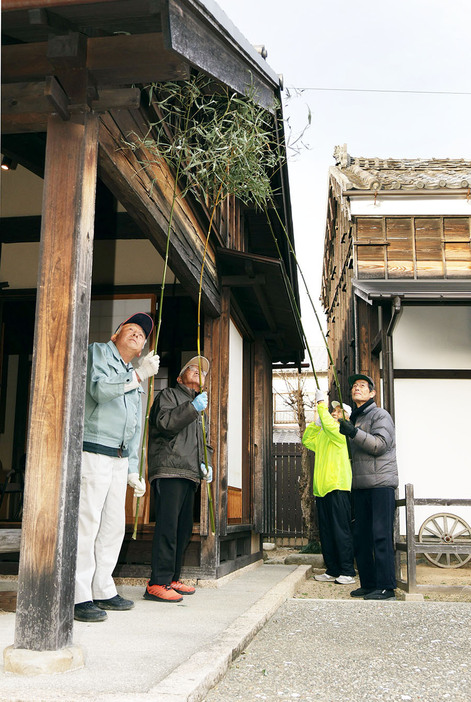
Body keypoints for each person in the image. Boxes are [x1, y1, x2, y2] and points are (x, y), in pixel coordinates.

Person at [74, 313, 160, 622]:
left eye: (142, 335)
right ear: (116, 335)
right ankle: (78, 593)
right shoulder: (98, 352)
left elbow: (136, 427)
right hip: (94, 450)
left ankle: (103, 588)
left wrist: (134, 468)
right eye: (132, 329)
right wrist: (137, 377)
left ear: (141, 350)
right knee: (87, 523)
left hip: (119, 457)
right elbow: (98, 390)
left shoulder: (133, 371)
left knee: (112, 527)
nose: (138, 335)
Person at [145, 356, 213, 603]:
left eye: (201, 372)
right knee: (168, 527)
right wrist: (193, 408)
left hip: (190, 473)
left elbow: (203, 441)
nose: (197, 372)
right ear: (179, 377)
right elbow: (165, 423)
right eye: (192, 369)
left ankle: (172, 578)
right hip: (170, 468)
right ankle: (157, 583)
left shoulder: (199, 405)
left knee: (183, 530)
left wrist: (207, 462)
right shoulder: (168, 396)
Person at [339, 373, 398, 601]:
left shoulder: (380, 414)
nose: (357, 388)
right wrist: (350, 428)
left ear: (372, 393)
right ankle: (369, 584)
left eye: (362, 385)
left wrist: (353, 432)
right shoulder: (355, 418)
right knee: (361, 536)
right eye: (354, 385)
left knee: (381, 535)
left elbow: (380, 445)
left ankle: (386, 587)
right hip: (361, 485)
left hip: (381, 484)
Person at [302, 389, 355, 585]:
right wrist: (316, 425)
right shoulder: (325, 433)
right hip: (322, 488)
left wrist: (321, 404)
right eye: (333, 411)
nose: (335, 413)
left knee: (341, 530)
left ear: (347, 417)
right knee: (327, 531)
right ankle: (332, 569)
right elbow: (307, 440)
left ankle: (347, 571)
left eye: (340, 411)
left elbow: (331, 424)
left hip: (338, 486)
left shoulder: (342, 431)